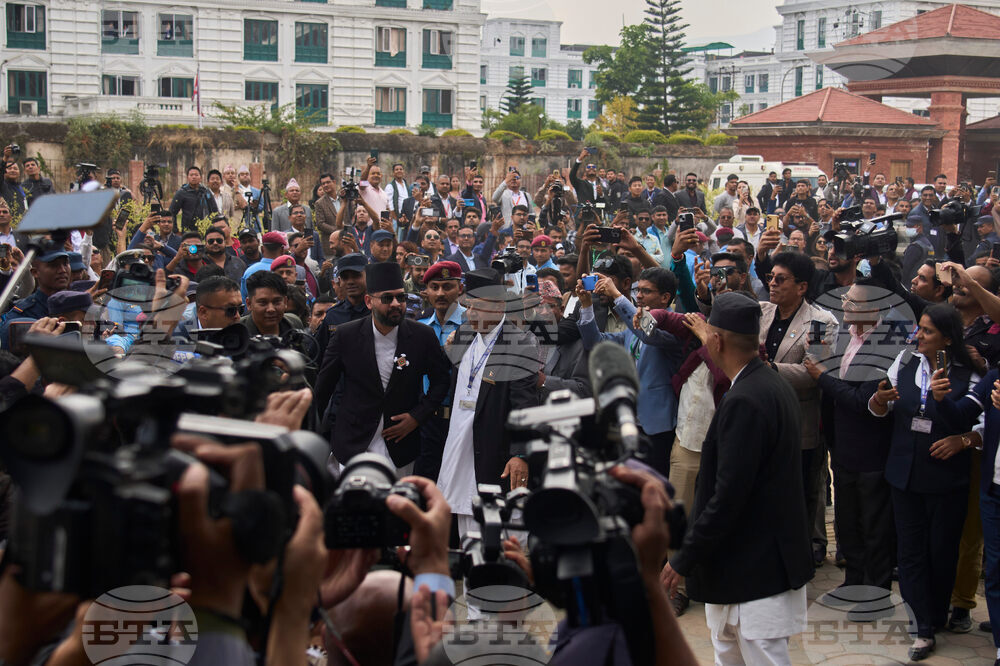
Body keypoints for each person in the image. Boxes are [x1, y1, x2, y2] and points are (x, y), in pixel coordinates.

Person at [662, 291, 813, 665]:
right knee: (729, 652)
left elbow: (727, 496)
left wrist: (683, 558)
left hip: (755, 566)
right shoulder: (766, 383)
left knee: (761, 656)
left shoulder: (747, 397)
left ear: (716, 339)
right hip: (745, 562)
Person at [869, 302, 981, 660]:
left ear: (947, 338)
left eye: (928, 331)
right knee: (911, 552)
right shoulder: (904, 362)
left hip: (946, 477)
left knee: (941, 550)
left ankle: (937, 613)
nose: (918, 335)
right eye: (919, 328)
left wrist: (962, 440)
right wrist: (878, 400)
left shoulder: (969, 373)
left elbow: (981, 425)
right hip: (904, 472)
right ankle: (923, 627)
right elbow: (881, 407)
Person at [314, 262, 451, 475]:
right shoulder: (345, 336)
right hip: (354, 444)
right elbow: (323, 390)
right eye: (388, 298)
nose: (396, 304)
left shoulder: (422, 336)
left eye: (401, 297)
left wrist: (416, 416)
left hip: (401, 446)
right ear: (369, 301)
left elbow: (441, 381)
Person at [439, 268, 539, 538]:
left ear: (499, 307)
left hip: (496, 449)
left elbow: (525, 407)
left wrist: (520, 454)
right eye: (467, 306)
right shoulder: (463, 335)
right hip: (460, 444)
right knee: (467, 531)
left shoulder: (520, 344)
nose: (470, 313)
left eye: (478, 307)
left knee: (501, 539)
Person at [759, 251, 839, 565]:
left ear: (801, 287)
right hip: (765, 418)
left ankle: (803, 551)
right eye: (770, 278)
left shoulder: (820, 322)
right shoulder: (763, 312)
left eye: (780, 279)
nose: (773, 285)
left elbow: (813, 373)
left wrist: (769, 370)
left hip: (800, 421)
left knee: (804, 489)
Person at [0, 247, 70, 349]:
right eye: (53, 265)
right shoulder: (19, 316)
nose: (62, 270)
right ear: (35, 272)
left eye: (65, 264)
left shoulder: (78, 306)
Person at [173, 276, 244, 340]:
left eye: (240, 309)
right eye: (231, 310)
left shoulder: (244, 338)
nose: (237, 316)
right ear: (203, 312)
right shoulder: (176, 339)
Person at [241, 270, 303, 336]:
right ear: (249, 304)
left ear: (285, 302)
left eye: (276, 302)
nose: (271, 309)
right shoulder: (237, 333)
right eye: (263, 303)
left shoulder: (294, 324)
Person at [167, 166, 217, 233]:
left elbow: (214, 211)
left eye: (196, 175)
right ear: (187, 177)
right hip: (188, 230)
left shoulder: (206, 192)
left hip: (205, 230)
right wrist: (175, 231)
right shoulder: (182, 192)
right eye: (191, 175)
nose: (194, 177)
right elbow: (172, 212)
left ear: (201, 178)